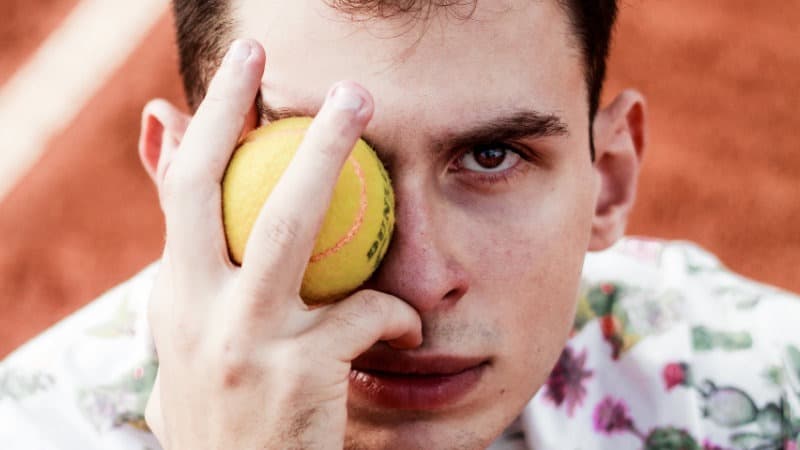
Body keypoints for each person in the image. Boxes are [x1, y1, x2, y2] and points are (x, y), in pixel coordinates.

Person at [1, 1, 798, 449]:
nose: (415, 285)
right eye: (314, 161)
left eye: (492, 154)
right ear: (181, 182)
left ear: (609, 183)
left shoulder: (756, 388)